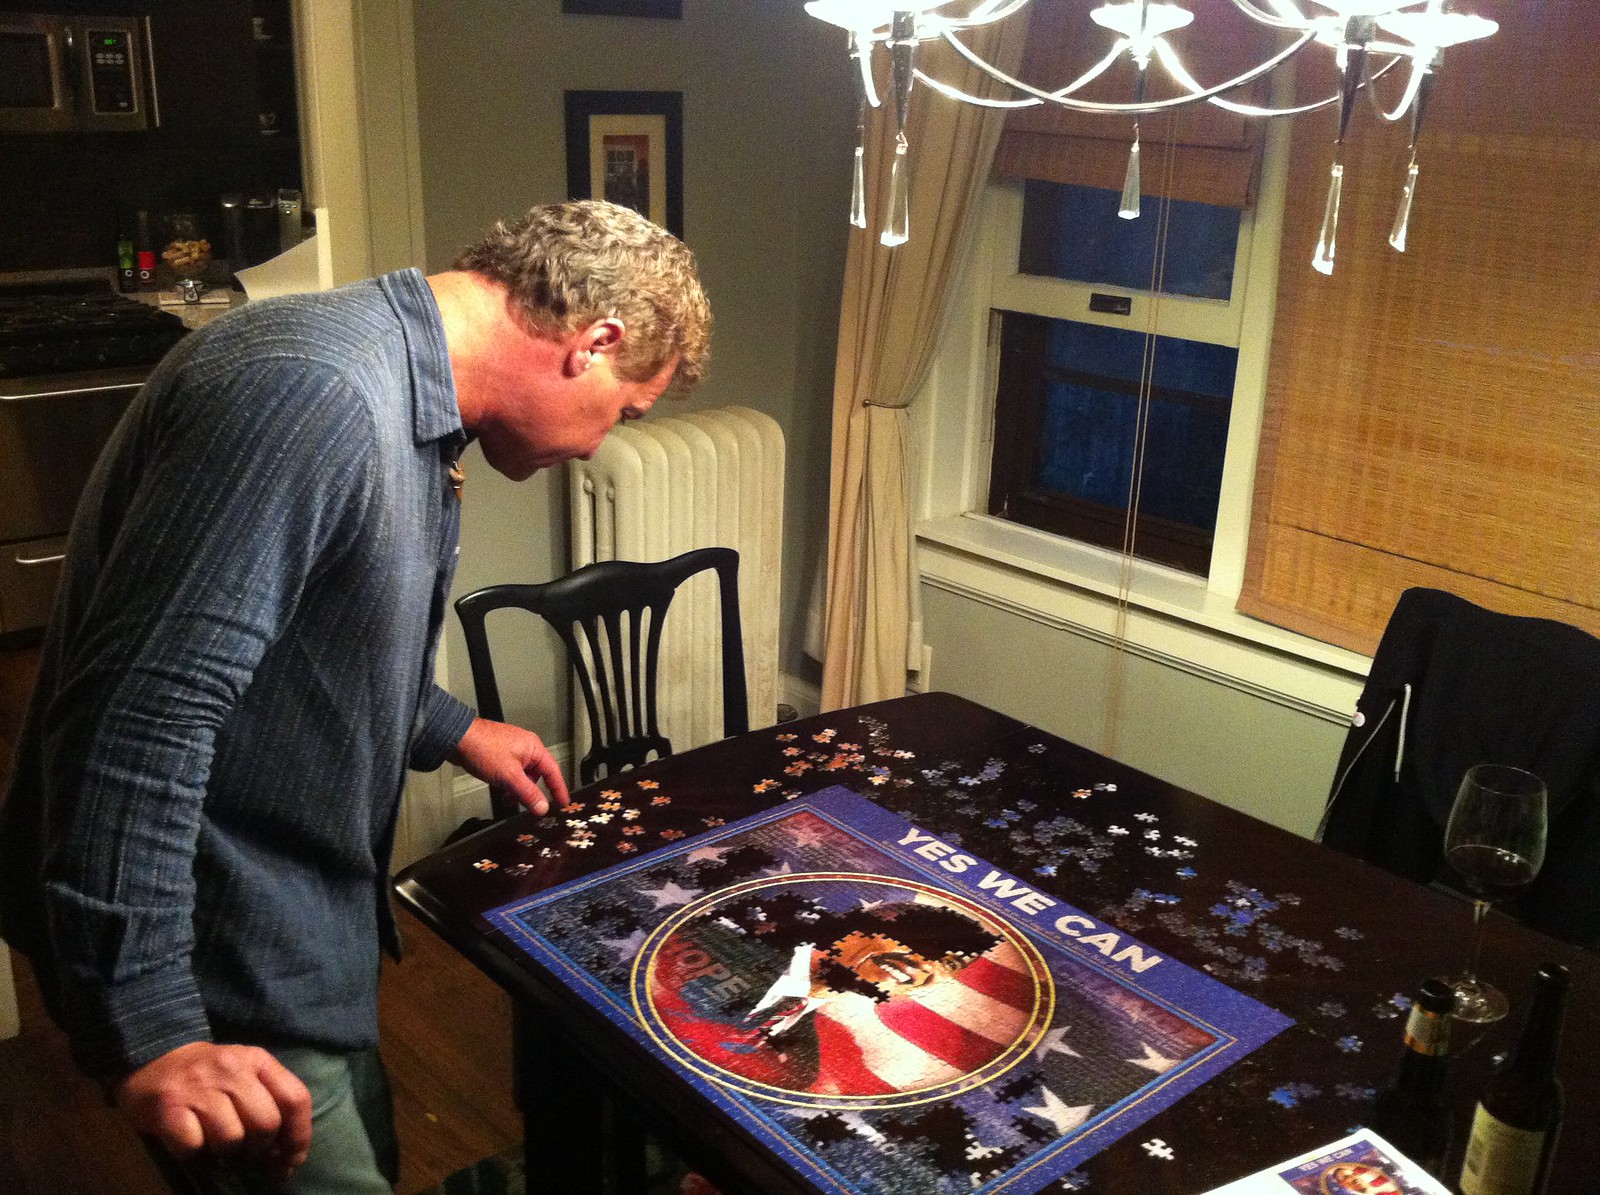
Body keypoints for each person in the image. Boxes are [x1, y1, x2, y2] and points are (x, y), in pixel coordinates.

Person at [0, 199, 711, 1192]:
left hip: (294, 928)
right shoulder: (315, 392)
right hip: (214, 954)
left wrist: (452, 725)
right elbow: (138, 716)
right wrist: (151, 1026)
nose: (599, 447)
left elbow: (308, 636)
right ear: (594, 342)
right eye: (625, 411)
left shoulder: (401, 395)